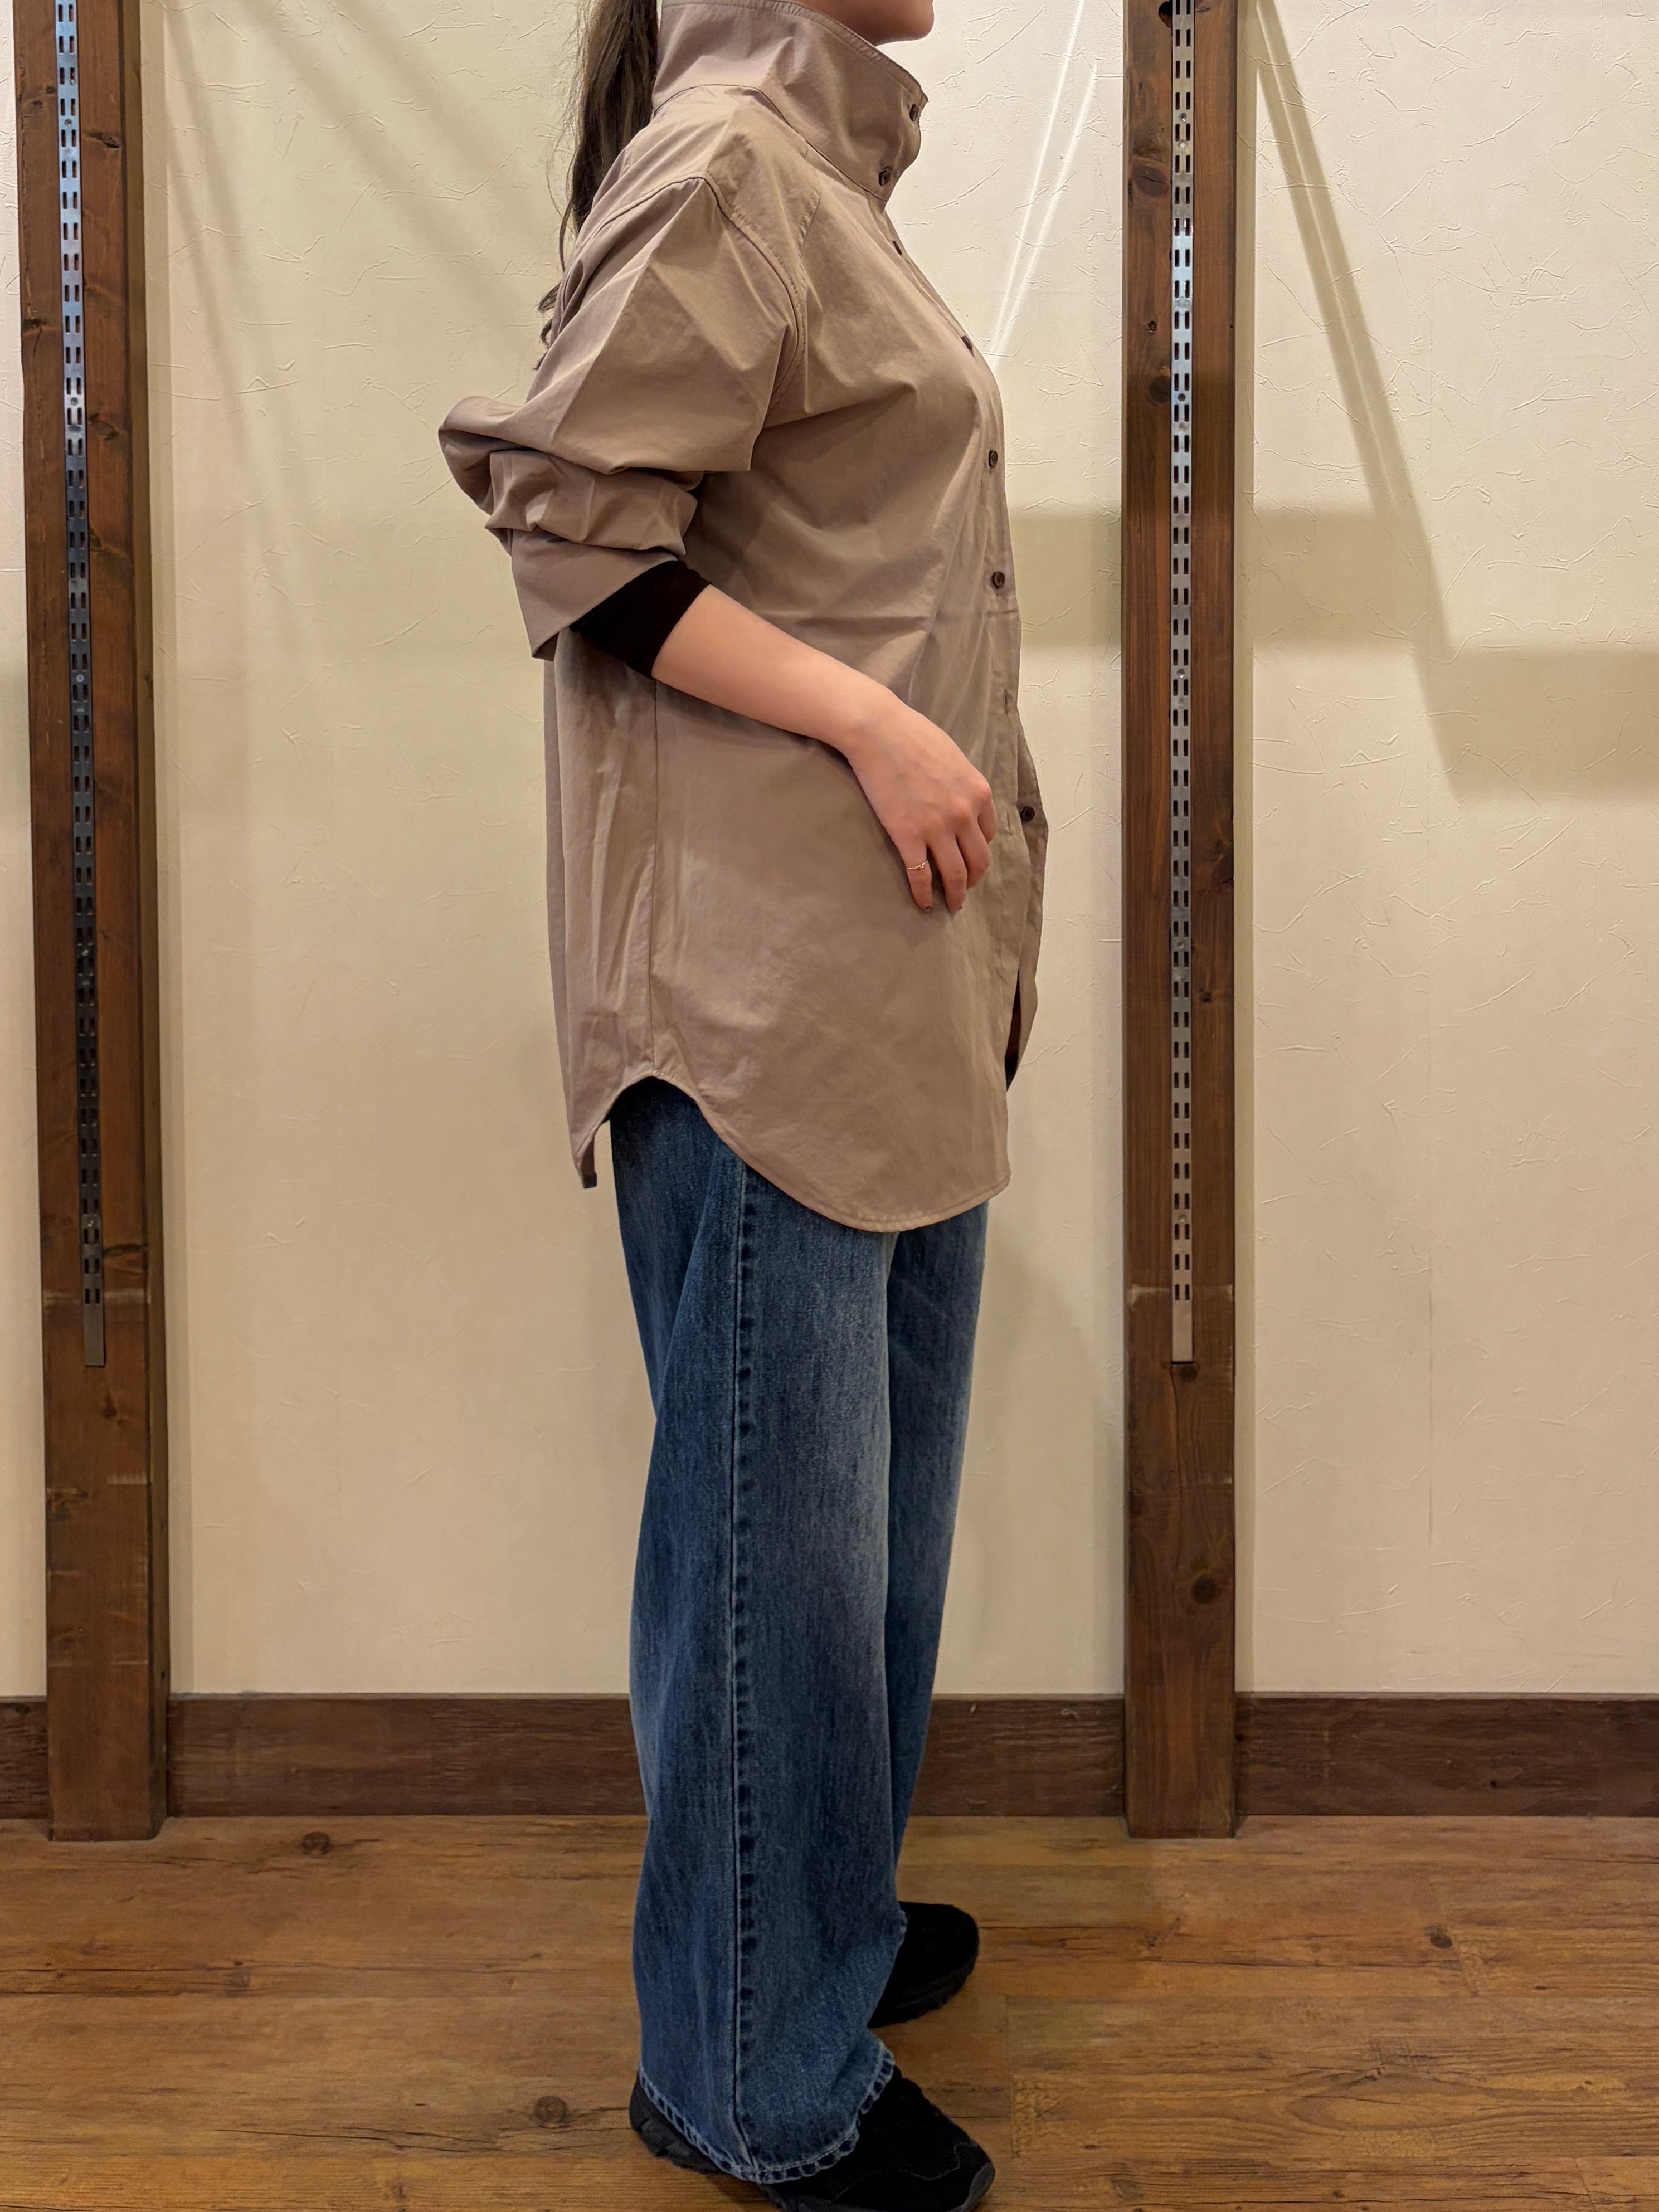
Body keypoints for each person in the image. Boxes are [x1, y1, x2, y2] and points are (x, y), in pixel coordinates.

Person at [439, 0, 1046, 2202]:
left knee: (858, 1550)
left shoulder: (815, 179)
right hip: (760, 995)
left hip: (881, 981)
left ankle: (815, 1935)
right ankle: (741, 2072)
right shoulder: (725, 164)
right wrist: (877, 730)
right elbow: (575, 528)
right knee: (774, 1553)